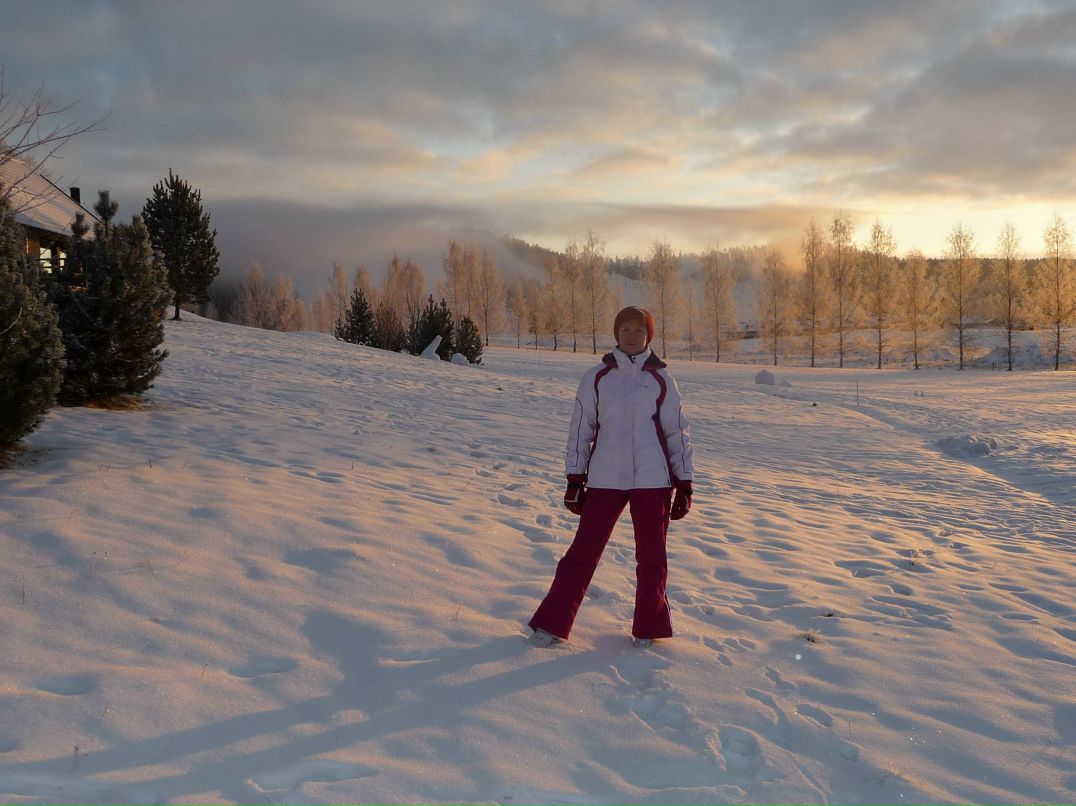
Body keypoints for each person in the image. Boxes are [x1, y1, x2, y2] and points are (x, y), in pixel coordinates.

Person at [528, 306, 694, 648]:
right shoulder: (597, 377)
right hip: (604, 478)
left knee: (652, 558)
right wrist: (575, 478)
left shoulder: (662, 380)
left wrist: (684, 483)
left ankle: (649, 629)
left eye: (639, 330)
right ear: (616, 334)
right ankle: (552, 624)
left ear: (649, 335)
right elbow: (581, 429)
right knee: (582, 553)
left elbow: (677, 433)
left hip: (653, 481)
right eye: (626, 330)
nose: (631, 336)